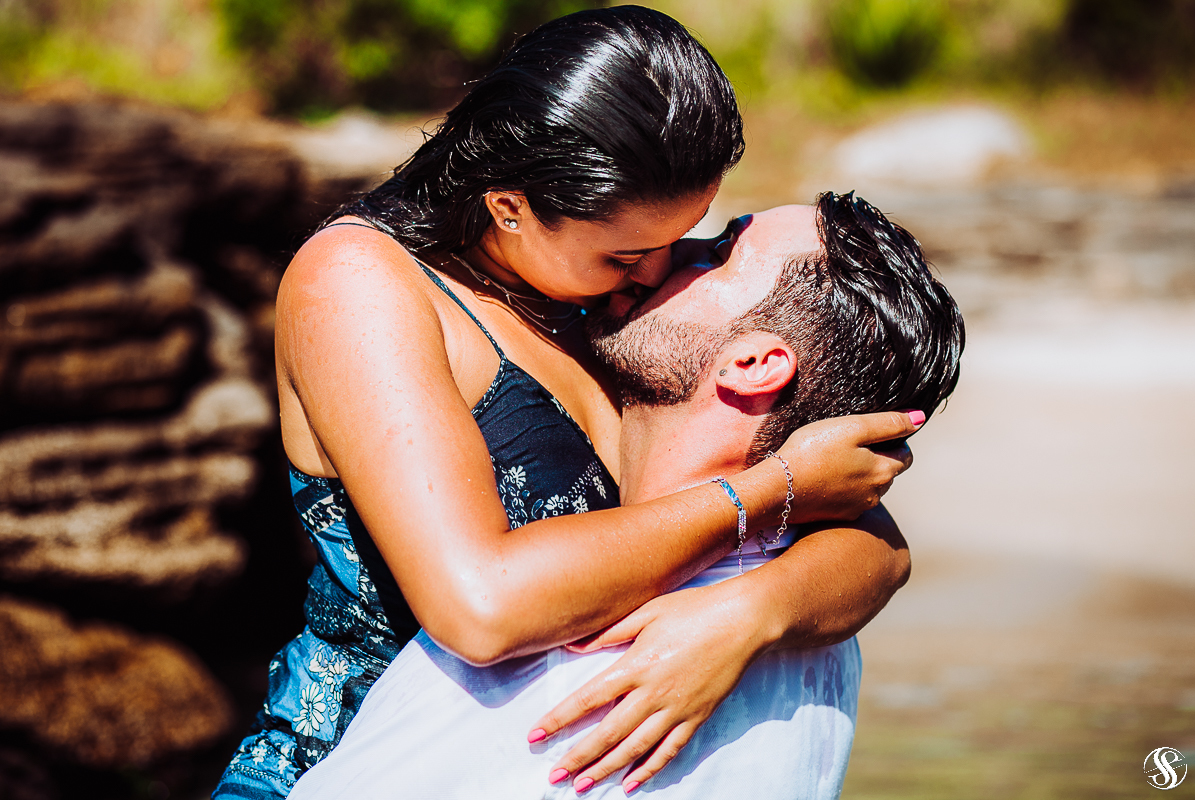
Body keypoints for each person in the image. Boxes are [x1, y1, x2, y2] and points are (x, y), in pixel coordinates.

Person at [214, 9, 918, 799]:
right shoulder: (362, 284)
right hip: (338, 764)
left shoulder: (598, 309)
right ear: (509, 207)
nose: (659, 273)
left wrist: (751, 612)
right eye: (626, 253)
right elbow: (478, 606)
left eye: (687, 236)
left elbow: (876, 542)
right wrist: (766, 490)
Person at [288, 193, 965, 799]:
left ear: (754, 364)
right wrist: (762, 584)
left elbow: (881, 545)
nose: (667, 255)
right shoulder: (803, 617)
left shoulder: (611, 661)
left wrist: (756, 607)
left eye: (719, 251)